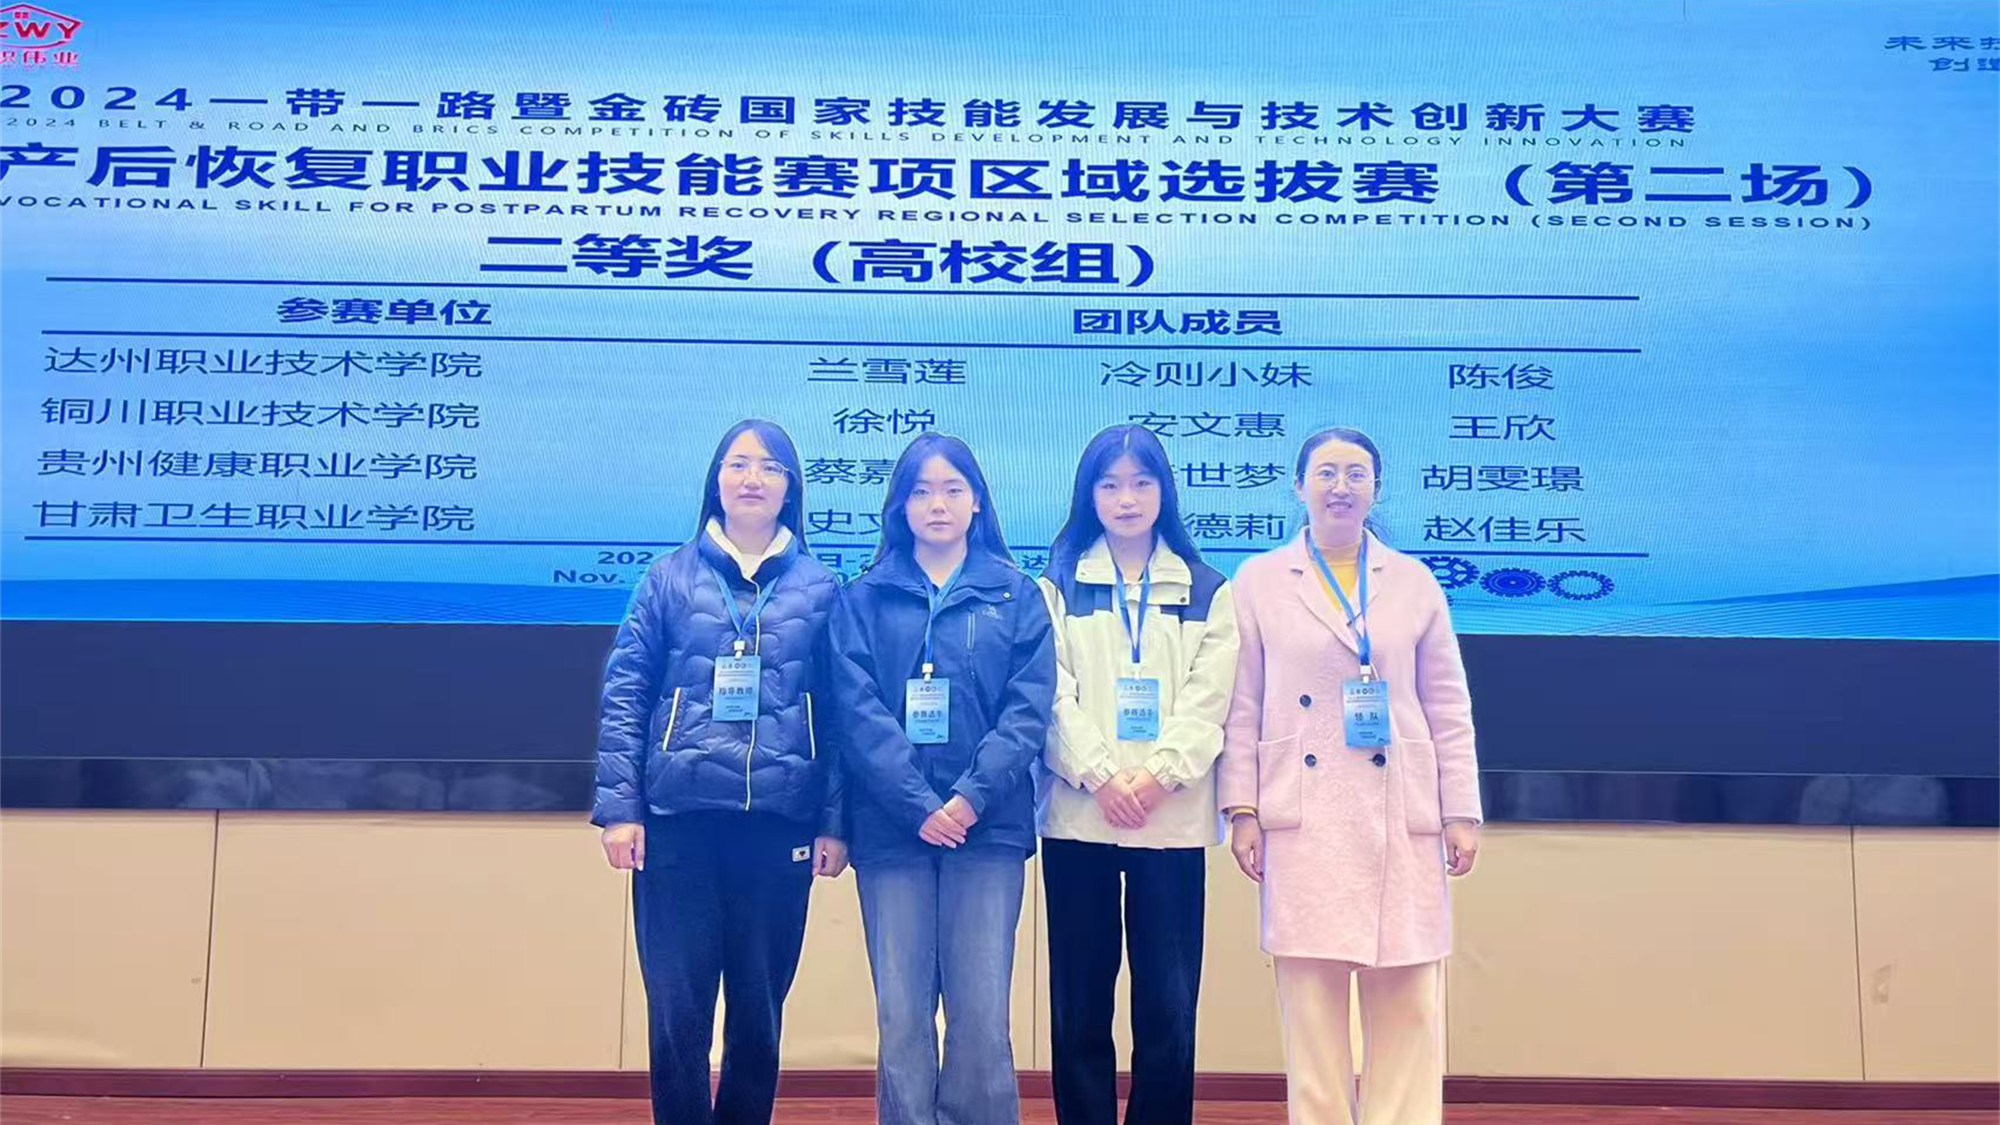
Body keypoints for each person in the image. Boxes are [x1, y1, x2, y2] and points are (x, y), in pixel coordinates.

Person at [1217, 426, 1483, 1125]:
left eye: (1356, 474)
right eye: (1327, 473)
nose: (1341, 487)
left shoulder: (1414, 581)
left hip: (1400, 807)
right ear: (1298, 485)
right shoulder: (1258, 580)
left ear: (1376, 488)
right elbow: (1242, 703)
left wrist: (1461, 809)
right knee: (1310, 1007)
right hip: (1303, 811)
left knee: (1408, 1002)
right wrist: (1241, 808)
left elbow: (1447, 703)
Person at [590, 419, 847, 1125]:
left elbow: (843, 715)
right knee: (678, 1013)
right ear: (717, 480)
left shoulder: (822, 588)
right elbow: (626, 693)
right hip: (678, 824)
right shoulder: (668, 578)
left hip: (780, 826)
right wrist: (621, 810)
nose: (752, 478)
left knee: (759, 1015)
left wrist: (834, 822)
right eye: (738, 463)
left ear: (791, 487)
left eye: (769, 466)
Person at [827, 432, 1056, 1125]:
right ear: (899, 505)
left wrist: (968, 798)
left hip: (988, 830)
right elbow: (856, 711)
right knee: (901, 1015)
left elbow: (1027, 711)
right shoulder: (862, 598)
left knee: (981, 1015)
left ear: (977, 501)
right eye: (921, 491)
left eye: (953, 489)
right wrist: (918, 803)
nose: (937, 504)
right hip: (892, 831)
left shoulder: (1017, 595)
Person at [1037, 424, 1239, 1125]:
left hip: (1170, 821)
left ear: (1164, 492)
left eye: (1141, 483)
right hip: (1080, 817)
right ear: (1088, 494)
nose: (1126, 498)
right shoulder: (1058, 585)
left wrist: (1157, 777)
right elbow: (1049, 696)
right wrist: (1100, 776)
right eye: (1110, 484)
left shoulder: (1209, 590)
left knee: (1168, 1004)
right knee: (1079, 1000)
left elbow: (1210, 702)